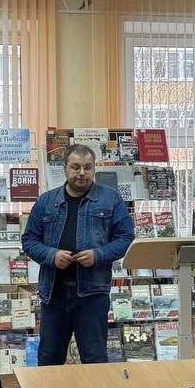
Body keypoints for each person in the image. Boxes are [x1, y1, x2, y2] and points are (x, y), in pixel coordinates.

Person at [22, 144, 134, 365]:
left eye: (87, 167)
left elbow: (125, 238)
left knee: (95, 361)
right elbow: (29, 240)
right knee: (49, 360)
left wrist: (98, 254)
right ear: (64, 168)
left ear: (94, 169)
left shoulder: (111, 199)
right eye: (75, 167)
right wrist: (51, 255)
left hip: (93, 296)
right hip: (54, 294)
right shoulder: (46, 201)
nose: (82, 173)